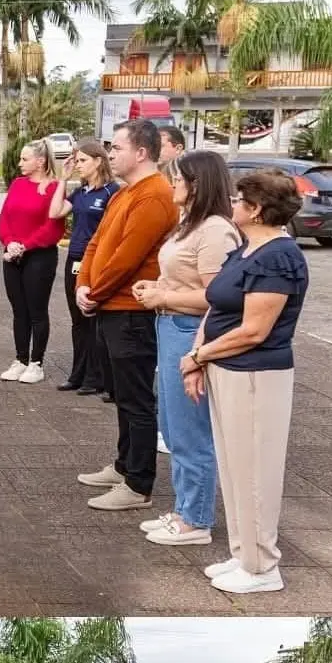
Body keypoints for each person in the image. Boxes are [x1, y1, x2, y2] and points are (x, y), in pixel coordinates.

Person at [181, 169, 310, 595]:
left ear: (255, 210)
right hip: (227, 369)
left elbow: (255, 330)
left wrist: (199, 355)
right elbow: (217, 308)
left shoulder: (278, 257)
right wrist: (199, 358)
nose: (232, 205)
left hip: (256, 374)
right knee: (236, 467)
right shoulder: (247, 250)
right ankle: (243, 554)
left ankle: (262, 566)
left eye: (239, 200)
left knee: (255, 470)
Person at [132, 151, 238, 548]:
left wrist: (165, 296)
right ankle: (184, 509)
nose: (171, 183)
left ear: (197, 183)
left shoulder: (214, 230)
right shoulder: (188, 225)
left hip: (190, 329)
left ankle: (195, 518)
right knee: (173, 424)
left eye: (177, 178)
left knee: (190, 428)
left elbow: (218, 296)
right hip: (170, 322)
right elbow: (182, 278)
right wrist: (158, 290)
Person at [76, 119, 178, 511]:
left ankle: (138, 483)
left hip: (131, 311)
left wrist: (95, 292)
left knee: (136, 399)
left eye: (117, 148)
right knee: (120, 394)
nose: (110, 154)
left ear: (140, 152)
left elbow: (128, 258)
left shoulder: (153, 196)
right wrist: (83, 286)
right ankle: (123, 466)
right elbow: (96, 243)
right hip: (108, 306)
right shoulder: (124, 193)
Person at [48, 140, 119, 395]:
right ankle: (78, 374)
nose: (77, 165)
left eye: (82, 161)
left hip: (97, 262)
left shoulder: (112, 192)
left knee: (94, 320)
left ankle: (97, 377)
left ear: (98, 161)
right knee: (77, 321)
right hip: (74, 258)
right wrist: (63, 179)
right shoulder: (82, 192)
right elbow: (55, 212)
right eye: (76, 161)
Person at [0, 139, 65, 385]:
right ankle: (20, 359)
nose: (20, 163)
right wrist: (10, 241)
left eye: (25, 159)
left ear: (41, 161)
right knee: (19, 311)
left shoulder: (54, 188)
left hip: (39, 256)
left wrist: (26, 245)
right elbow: (5, 218)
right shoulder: (17, 184)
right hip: (12, 254)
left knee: (37, 311)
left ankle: (36, 362)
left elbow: (53, 226)